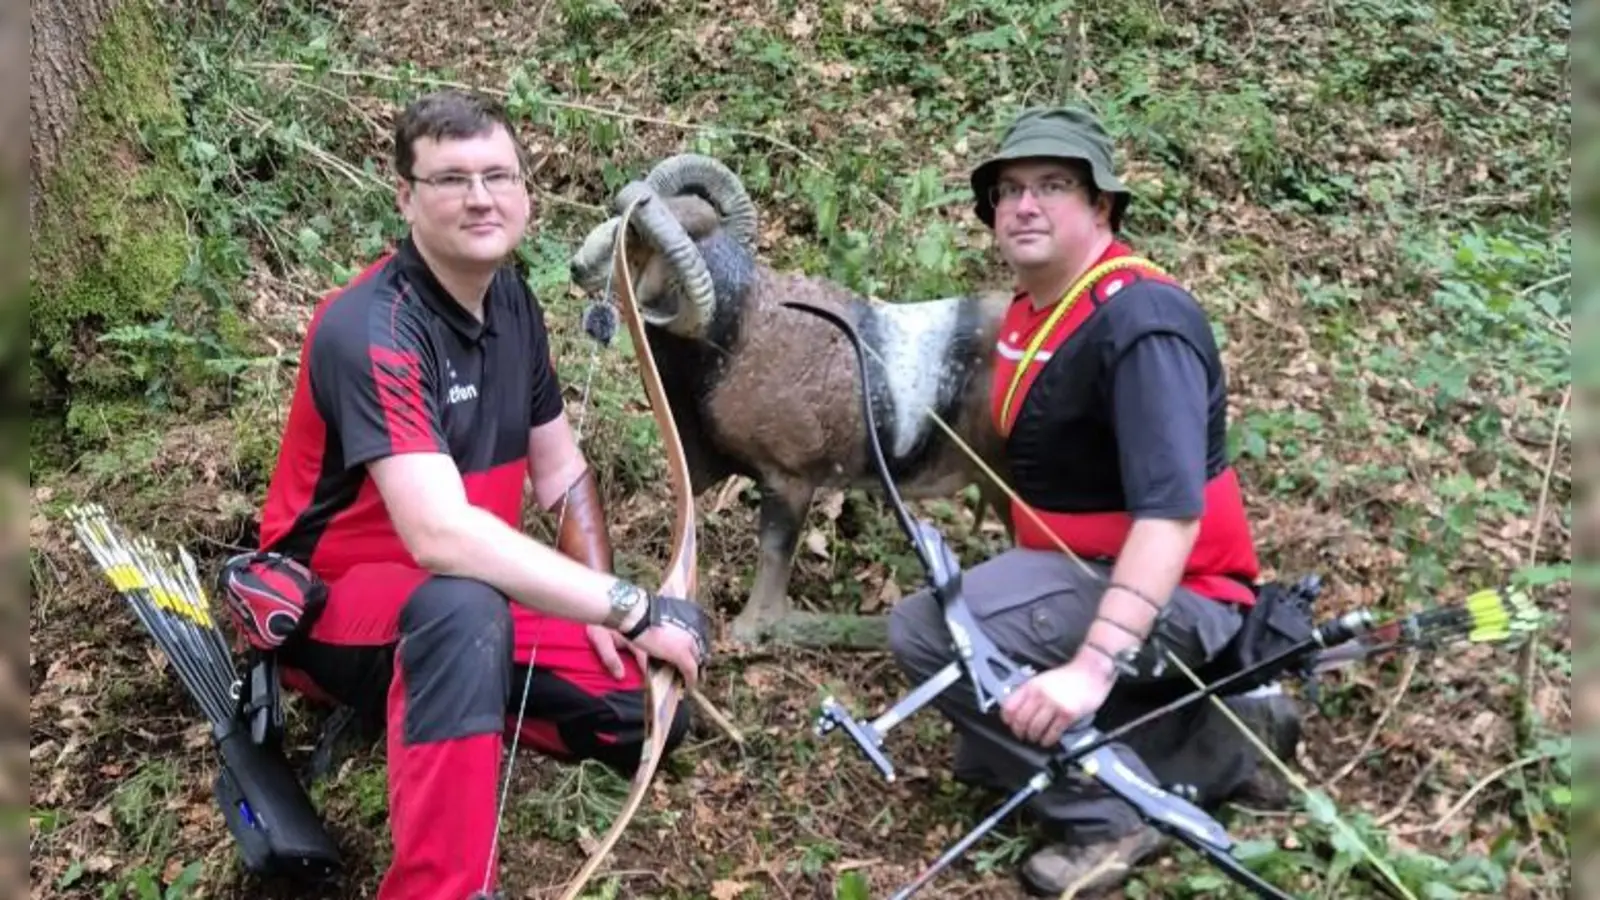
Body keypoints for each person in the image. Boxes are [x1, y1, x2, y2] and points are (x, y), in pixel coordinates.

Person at [252, 89, 710, 900]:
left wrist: (602, 621)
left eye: (499, 175)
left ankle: (440, 709)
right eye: (451, 178)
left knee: (645, 711)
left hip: (475, 598)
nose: (480, 196)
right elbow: (437, 537)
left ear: (525, 194)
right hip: (336, 608)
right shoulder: (371, 327)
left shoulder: (512, 304)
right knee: (461, 613)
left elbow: (561, 472)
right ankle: (445, 885)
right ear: (405, 197)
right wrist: (627, 606)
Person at [887, 106, 1300, 896]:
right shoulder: (1038, 306)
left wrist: (1090, 667)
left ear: (1101, 207)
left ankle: (1109, 813)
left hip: (1184, 590)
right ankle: (1221, 736)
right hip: (1084, 565)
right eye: (1008, 190)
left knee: (932, 636)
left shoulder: (1139, 322)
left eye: (1053, 186)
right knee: (984, 732)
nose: (1024, 205)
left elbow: (1172, 515)